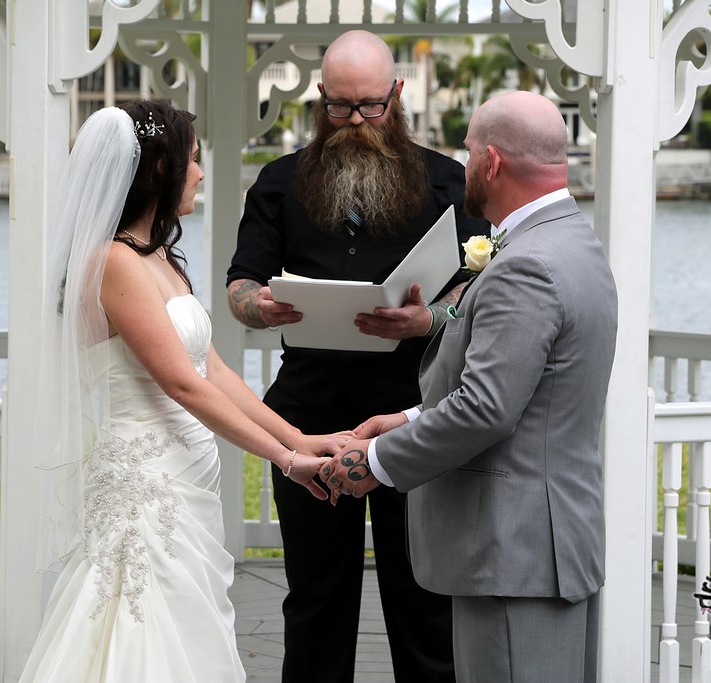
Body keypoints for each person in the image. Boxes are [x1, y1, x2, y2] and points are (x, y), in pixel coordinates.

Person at [21, 100, 349, 682]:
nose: (199, 173)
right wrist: (286, 461)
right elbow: (181, 383)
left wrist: (299, 437)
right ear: (160, 169)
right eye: (193, 160)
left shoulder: (159, 259)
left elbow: (213, 370)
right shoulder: (114, 263)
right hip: (147, 486)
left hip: (189, 479)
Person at [320, 90, 619, 682]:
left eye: (467, 151)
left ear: (491, 162)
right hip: (550, 543)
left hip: (515, 552)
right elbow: (524, 390)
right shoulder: (574, 243)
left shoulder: (526, 266)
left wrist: (374, 461)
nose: (463, 165)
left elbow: (486, 408)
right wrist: (409, 418)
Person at [226, 29, 485, 683]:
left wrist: (429, 317)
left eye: (371, 105)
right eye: (340, 107)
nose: (356, 122)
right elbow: (240, 286)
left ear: (396, 94)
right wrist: (262, 307)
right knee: (315, 597)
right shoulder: (279, 181)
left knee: (424, 598)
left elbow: (481, 289)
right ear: (321, 97)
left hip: (416, 415)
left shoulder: (447, 180)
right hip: (308, 416)